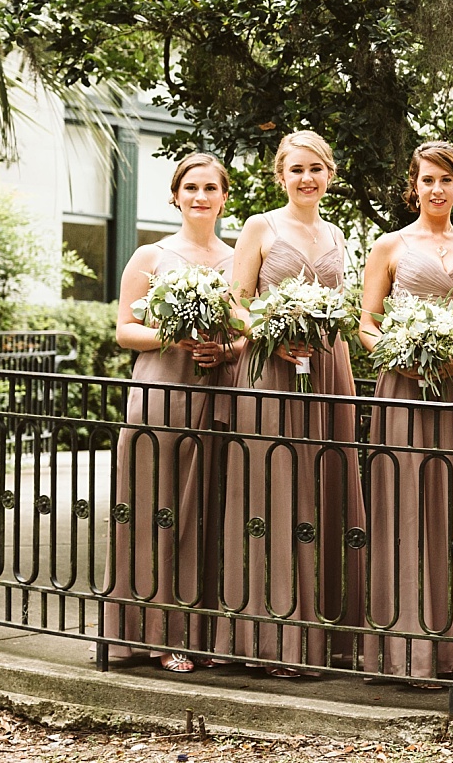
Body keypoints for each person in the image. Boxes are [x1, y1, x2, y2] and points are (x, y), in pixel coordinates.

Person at [216, 130, 367, 676]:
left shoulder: (337, 232)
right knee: (274, 491)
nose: (307, 179)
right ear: (281, 176)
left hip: (327, 367)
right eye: (297, 170)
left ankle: (324, 635)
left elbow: (343, 301)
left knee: (323, 491)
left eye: (317, 169)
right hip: (270, 369)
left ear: (330, 175)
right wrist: (274, 334)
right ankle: (270, 636)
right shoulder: (261, 226)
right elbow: (235, 304)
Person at [355, 141, 453, 683]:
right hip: (405, 388)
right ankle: (404, 646)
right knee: (406, 505)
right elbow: (367, 325)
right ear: (412, 186)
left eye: (446, 180)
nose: (436, 189)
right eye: (427, 180)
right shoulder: (389, 246)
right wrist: (402, 357)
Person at [103, 154, 239, 673]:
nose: (201, 197)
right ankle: (146, 633)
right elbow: (124, 330)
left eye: (210, 188)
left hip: (214, 393)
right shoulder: (150, 256)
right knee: (148, 507)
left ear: (224, 197)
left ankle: (194, 633)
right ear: (175, 196)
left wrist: (225, 351)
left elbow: (248, 328)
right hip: (160, 390)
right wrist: (173, 336)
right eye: (191, 188)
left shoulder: (236, 261)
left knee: (201, 515)